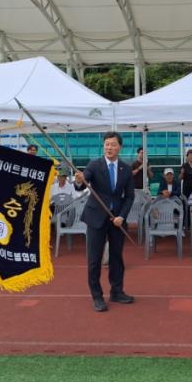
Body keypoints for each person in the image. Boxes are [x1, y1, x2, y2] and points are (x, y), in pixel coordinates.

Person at [75, 131, 135, 312]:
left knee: (116, 258)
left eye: (113, 144)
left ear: (120, 147)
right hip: (96, 218)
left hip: (117, 220)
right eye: (107, 144)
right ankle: (97, 296)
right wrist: (79, 180)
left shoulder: (126, 169)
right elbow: (83, 181)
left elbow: (129, 196)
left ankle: (117, 291)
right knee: (94, 259)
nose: (109, 148)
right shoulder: (94, 165)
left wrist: (122, 216)